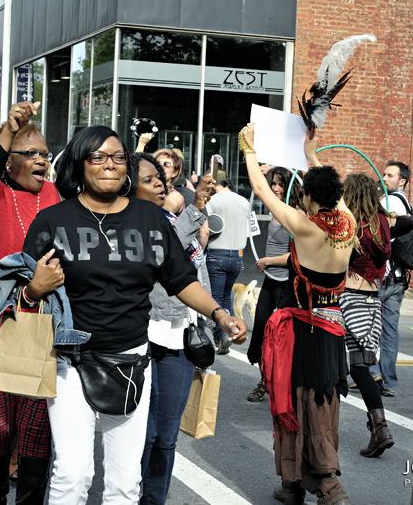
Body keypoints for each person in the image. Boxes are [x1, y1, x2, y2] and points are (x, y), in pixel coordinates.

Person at [22, 124, 247, 505]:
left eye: (117, 156)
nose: (109, 164)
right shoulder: (52, 221)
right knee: (73, 475)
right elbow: (20, 296)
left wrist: (221, 314)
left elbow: (180, 278)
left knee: (125, 482)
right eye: (98, 156)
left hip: (131, 360)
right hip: (70, 361)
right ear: (80, 163)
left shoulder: (151, 219)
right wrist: (33, 288)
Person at [241, 123, 356, 505]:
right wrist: (311, 156)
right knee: (321, 404)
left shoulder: (305, 228)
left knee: (295, 403)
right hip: (332, 329)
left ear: (308, 197)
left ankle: (323, 485)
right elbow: (331, 195)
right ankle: (293, 485)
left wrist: (248, 148)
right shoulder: (347, 225)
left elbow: (260, 189)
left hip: (303, 332)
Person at [0, 101, 60, 504]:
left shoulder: (55, 195)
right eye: (31, 154)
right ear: (8, 161)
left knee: (36, 430)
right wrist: (7, 130)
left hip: (39, 330)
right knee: (0, 425)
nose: (42, 161)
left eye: (45, 154)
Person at [130, 153, 216, 504]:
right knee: (144, 434)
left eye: (164, 175)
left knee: (166, 435)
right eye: (151, 177)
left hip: (182, 334)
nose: (161, 183)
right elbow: (165, 249)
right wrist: (195, 209)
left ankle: (154, 500)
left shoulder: (179, 217)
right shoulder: (135, 222)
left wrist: (212, 323)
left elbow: (197, 272)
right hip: (144, 335)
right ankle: (128, 494)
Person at [339, 173, 413, 458]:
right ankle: (380, 430)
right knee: (360, 368)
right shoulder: (383, 223)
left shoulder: (348, 224)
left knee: (336, 363)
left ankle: (322, 426)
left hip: (347, 299)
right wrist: (385, 214)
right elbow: (411, 222)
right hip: (372, 300)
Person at [247, 167, 304, 403]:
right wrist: (264, 169)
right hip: (270, 281)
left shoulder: (296, 213)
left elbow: (298, 255)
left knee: (279, 337)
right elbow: (258, 190)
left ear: (290, 187)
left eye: (281, 184)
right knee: (260, 330)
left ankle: (280, 383)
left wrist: (268, 261)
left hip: (287, 283)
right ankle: (264, 381)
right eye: (273, 184)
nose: (276, 189)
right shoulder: (274, 208)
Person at [369, 160, 411, 397]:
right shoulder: (406, 203)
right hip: (398, 277)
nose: (383, 178)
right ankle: (389, 382)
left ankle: (369, 370)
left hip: (382, 276)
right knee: (390, 330)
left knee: (363, 324)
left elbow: (378, 236)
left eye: (389, 175)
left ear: (401, 181)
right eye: (384, 174)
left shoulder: (389, 202)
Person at [205, 173, 250, 353]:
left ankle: (220, 335)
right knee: (226, 296)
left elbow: (205, 227)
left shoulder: (213, 201)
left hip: (216, 253)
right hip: (237, 255)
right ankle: (230, 330)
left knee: (215, 297)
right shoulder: (244, 202)